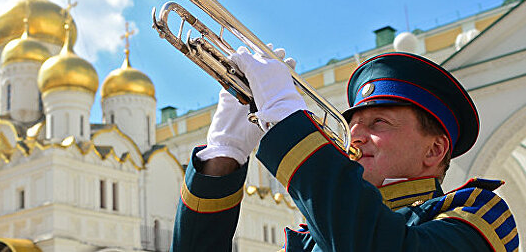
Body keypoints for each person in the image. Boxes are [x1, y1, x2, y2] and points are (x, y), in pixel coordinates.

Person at [170, 48, 519, 252]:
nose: (356, 136)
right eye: (353, 124)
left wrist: (288, 121)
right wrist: (223, 156)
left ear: (434, 150)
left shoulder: (480, 214)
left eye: (379, 123)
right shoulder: (314, 239)